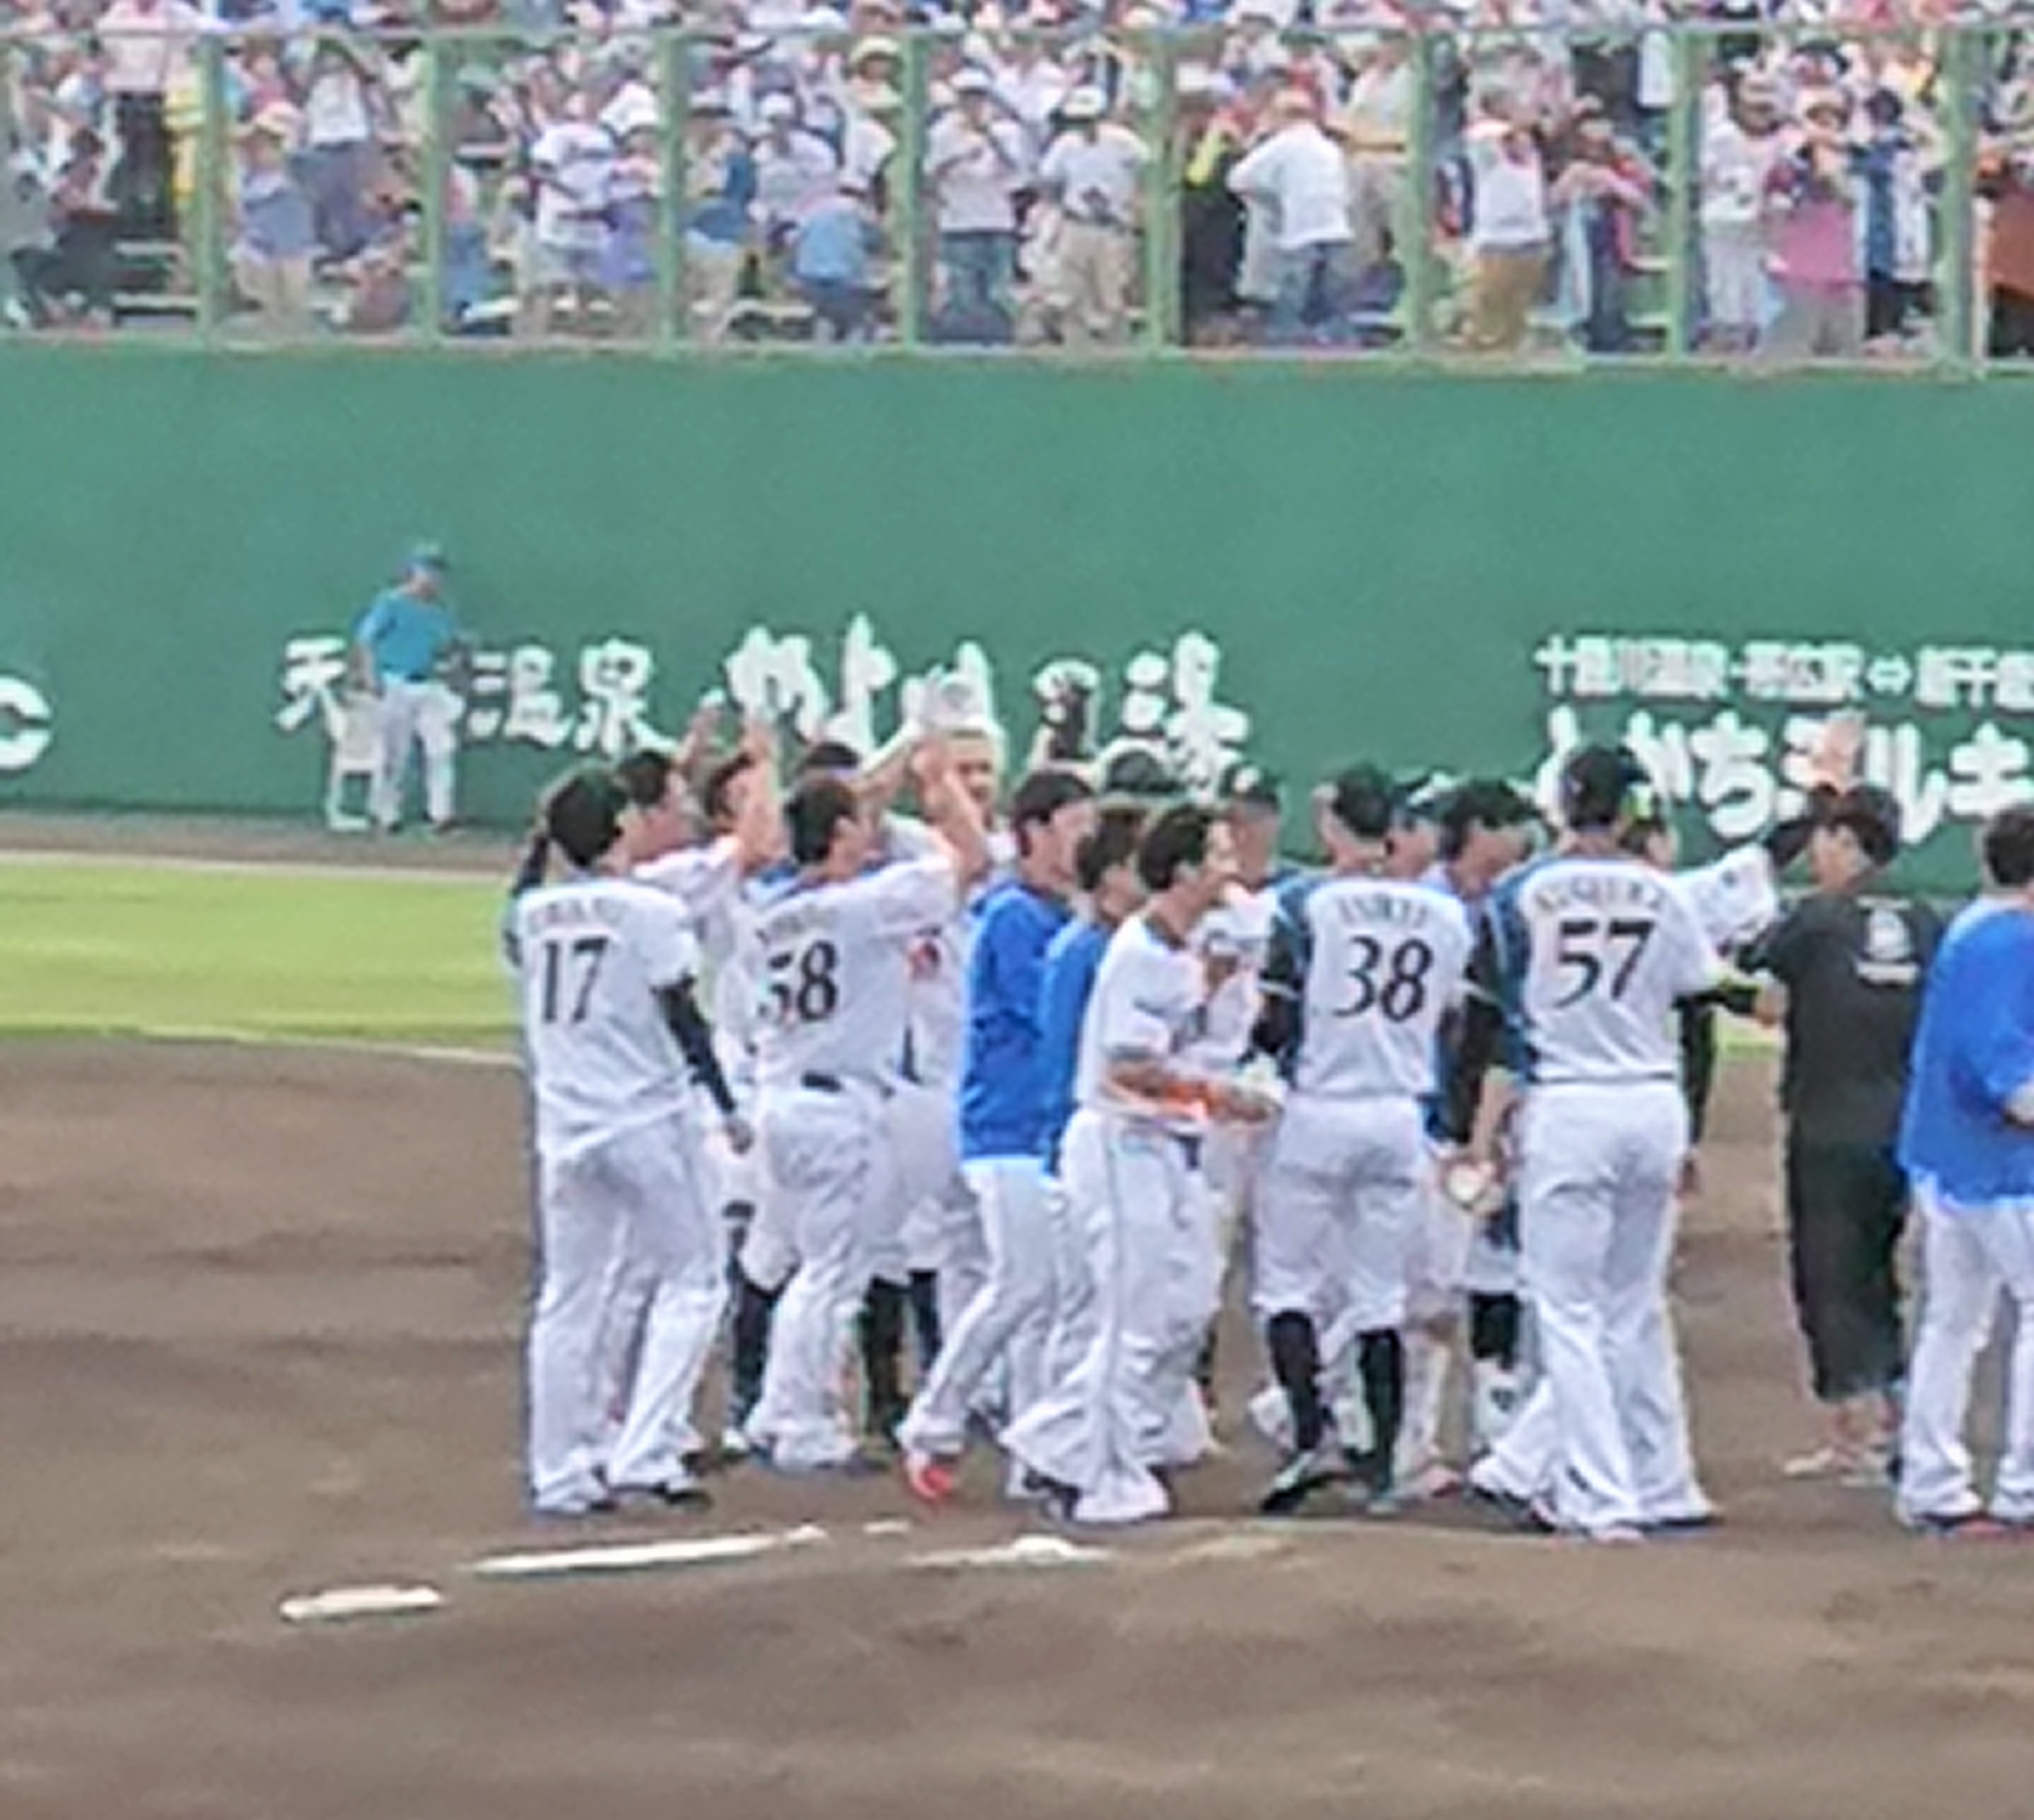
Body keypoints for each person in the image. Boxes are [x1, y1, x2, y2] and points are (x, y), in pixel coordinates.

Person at [1463, 745, 1722, 1542]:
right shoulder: (1665, 893)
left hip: (1570, 1104)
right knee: (1629, 1306)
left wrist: (1480, 1136)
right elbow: (1696, 1001)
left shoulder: (1520, 893)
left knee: (1568, 1314)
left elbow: (1496, 1023)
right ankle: (1622, 1477)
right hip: (1653, 1099)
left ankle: (1598, 1495)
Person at [1003, 804, 1277, 1526]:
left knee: (1187, 1306)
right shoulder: (1141, 952)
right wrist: (1219, 1094)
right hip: (1120, 1142)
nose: (1231, 867)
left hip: (1165, 1147)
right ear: (1183, 870)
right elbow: (1128, 1070)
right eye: (1217, 855)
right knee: (1133, 1317)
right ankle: (1103, 1474)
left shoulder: (1184, 943)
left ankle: (1056, 1440)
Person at [742, 740, 991, 1474]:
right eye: (856, 823)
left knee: (813, 1266)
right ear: (840, 833)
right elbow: (972, 859)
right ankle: (802, 1422)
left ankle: (775, 1408)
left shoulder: (773, 914)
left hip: (783, 1099)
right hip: (838, 1108)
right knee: (833, 1274)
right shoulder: (863, 907)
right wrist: (939, 781)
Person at [508, 766, 750, 1517]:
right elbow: (683, 1014)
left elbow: (516, 909)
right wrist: (726, 1104)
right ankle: (645, 1450)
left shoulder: (532, 913)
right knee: (696, 1279)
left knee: (569, 1297)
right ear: (618, 826)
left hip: (565, 1128)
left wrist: (540, 844)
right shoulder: (650, 909)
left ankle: (559, 1470)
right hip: (647, 1117)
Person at [1250, 766, 1475, 1515]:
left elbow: (1274, 1016)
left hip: (1318, 1106)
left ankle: (1312, 1437)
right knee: (1380, 1294)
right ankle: (1381, 1463)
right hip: (1399, 1112)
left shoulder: (1302, 904)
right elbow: (1454, 1018)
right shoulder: (1444, 915)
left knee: (1288, 1286)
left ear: (1331, 824)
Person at [899, 767, 1097, 1499]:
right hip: (1006, 1130)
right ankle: (934, 1420)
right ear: (1036, 832)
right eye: (1075, 827)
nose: (1086, 843)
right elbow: (1050, 1016)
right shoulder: (1016, 916)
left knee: (1050, 1296)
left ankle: (1033, 1450)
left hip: (1043, 1130)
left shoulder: (1059, 915)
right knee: (1023, 1284)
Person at [1737, 776, 1941, 1482]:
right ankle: (1897, 1419)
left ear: (1848, 842)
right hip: (1900, 1122)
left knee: (1827, 1275)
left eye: (1825, 838)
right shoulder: (1925, 920)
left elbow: (1756, 981)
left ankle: (1852, 1433)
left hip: (1827, 1122)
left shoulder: (1818, 918)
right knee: (1879, 1271)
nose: (1816, 853)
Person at [1895, 803, 2034, 1535]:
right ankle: (2023, 1485)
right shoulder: (2012, 940)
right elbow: (2004, 1069)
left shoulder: (1972, 928)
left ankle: (1932, 1480)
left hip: (1950, 1159)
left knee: (1952, 1322)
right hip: (2003, 1167)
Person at [349, 544, 463, 836]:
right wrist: (369, 676)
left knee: (442, 749)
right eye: (427, 570)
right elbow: (366, 640)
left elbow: (448, 647)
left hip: (430, 684)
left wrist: (452, 665)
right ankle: (387, 814)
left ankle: (441, 815)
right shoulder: (391, 603)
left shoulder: (440, 611)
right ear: (413, 571)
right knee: (394, 755)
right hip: (395, 683)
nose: (432, 578)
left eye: (437, 572)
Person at [1226, 86, 1354, 346]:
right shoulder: (1329, 148)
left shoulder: (1282, 145)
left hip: (1301, 235)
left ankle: (1284, 350)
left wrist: (1269, 197)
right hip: (1338, 233)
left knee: (1291, 310)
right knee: (1332, 309)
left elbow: (1238, 179)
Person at [1036, 87, 1147, 346]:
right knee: (1071, 288)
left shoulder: (1124, 142)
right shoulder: (1066, 145)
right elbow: (1048, 178)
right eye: (1079, 121)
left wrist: (1131, 203)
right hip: (1077, 223)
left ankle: (1114, 345)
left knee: (1111, 290)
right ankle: (1076, 343)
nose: (1084, 126)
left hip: (1111, 226)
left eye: (1089, 119)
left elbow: (1147, 167)